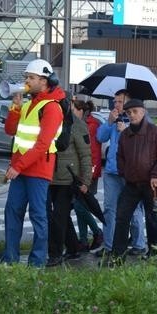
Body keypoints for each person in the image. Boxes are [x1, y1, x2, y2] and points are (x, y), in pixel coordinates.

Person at [2, 59, 65, 267]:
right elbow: (10, 131)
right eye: (26, 77)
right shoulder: (29, 104)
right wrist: (15, 107)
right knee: (12, 212)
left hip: (38, 170)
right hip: (21, 168)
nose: (26, 81)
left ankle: (36, 262)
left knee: (38, 216)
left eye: (31, 77)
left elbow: (42, 144)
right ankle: (10, 259)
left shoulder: (52, 108)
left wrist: (17, 167)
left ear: (44, 80)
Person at [111, 99, 157, 262]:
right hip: (131, 184)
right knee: (122, 216)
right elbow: (120, 156)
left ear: (143, 112)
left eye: (135, 111)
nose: (132, 115)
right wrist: (125, 173)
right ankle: (118, 255)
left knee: (156, 218)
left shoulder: (154, 131)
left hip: (152, 183)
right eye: (129, 113)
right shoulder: (125, 134)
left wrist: (156, 175)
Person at [97, 89, 146, 257]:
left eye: (119, 101)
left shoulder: (137, 120)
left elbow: (143, 143)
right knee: (109, 209)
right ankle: (109, 246)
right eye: (115, 101)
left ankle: (139, 244)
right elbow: (100, 137)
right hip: (112, 170)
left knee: (133, 209)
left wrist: (126, 130)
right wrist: (109, 122)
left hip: (130, 172)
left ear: (127, 103)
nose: (115, 104)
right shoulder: (113, 119)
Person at [46, 96, 93, 267]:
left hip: (68, 179)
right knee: (60, 216)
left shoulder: (78, 125)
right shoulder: (50, 120)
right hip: (49, 177)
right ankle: (73, 248)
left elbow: (86, 155)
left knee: (59, 216)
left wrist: (85, 181)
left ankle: (55, 253)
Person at [72, 98, 104, 252]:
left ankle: (97, 232)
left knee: (80, 206)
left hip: (89, 171)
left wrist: (88, 175)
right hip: (81, 171)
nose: (71, 112)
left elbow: (89, 153)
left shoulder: (89, 126)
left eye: (73, 109)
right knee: (80, 205)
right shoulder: (86, 124)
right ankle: (83, 240)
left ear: (81, 111)